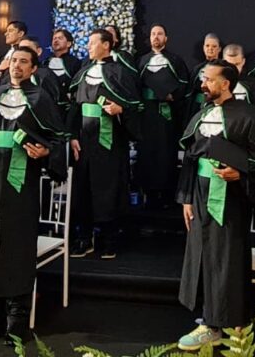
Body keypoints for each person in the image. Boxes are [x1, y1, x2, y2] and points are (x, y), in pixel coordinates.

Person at [0, 46, 68, 346]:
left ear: (33, 68)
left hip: (23, 187)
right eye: (13, 61)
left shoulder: (41, 99)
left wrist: (46, 152)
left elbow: (58, 139)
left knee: (18, 248)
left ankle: (16, 320)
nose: (16, 66)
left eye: (24, 62)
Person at [176, 61, 255, 351]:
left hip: (233, 197)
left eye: (209, 79)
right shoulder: (203, 113)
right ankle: (210, 322)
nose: (203, 84)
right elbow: (191, 157)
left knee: (229, 258)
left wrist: (241, 174)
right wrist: (187, 197)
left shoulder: (250, 115)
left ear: (225, 84)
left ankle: (237, 326)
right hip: (201, 194)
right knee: (204, 255)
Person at [66, 29, 142, 259]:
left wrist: (121, 110)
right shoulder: (83, 72)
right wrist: (72, 136)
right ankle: (84, 237)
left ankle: (109, 238)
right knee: (83, 189)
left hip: (110, 143)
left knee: (108, 189)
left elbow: (135, 107)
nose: (88, 46)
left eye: (92, 43)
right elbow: (75, 108)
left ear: (106, 45)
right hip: (84, 142)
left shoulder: (120, 72)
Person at [138, 24, 191, 208]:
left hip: (167, 115)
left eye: (160, 34)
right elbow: (136, 86)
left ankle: (167, 194)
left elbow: (184, 84)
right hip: (147, 115)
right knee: (147, 152)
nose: (156, 37)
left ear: (166, 38)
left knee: (166, 153)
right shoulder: (142, 60)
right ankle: (149, 194)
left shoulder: (175, 60)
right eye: (153, 34)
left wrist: (172, 96)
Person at [221, 44, 255, 119]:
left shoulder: (253, 85)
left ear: (243, 61)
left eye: (237, 64)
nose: (233, 68)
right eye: (229, 64)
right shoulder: (215, 83)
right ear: (223, 62)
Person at [186, 33, 222, 116]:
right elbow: (190, 91)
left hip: (216, 106)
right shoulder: (197, 69)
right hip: (197, 107)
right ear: (203, 47)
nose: (210, 49)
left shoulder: (223, 68)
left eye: (214, 46)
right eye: (207, 46)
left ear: (219, 49)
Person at [43, 28, 82, 92]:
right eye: (54, 38)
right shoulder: (45, 62)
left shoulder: (75, 63)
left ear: (68, 44)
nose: (56, 40)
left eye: (60, 38)